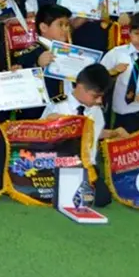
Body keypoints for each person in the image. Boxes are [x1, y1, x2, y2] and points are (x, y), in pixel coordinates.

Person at [42, 63, 123, 208]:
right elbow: (39, 137)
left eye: (101, 97)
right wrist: (52, 123)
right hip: (59, 163)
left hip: (86, 164)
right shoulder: (58, 105)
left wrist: (113, 133)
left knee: (102, 199)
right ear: (80, 87)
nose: (99, 101)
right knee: (67, 196)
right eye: (96, 96)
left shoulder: (95, 110)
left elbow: (94, 133)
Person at [15, 4, 75, 112]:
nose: (65, 29)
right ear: (43, 27)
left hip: (67, 106)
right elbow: (19, 74)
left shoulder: (69, 50)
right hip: (42, 112)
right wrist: (37, 65)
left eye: (67, 25)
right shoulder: (33, 50)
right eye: (60, 25)